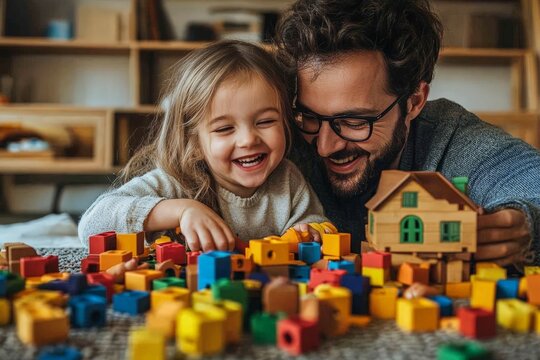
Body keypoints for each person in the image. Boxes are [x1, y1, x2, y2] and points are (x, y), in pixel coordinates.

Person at [275, 0, 540, 266]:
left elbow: (529, 179)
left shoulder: (453, 139)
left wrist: (527, 223)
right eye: (310, 116)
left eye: (354, 121)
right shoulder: (281, 136)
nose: (325, 146)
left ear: (414, 102)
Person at [78, 40, 329, 252]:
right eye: (224, 129)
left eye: (265, 121)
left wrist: (308, 231)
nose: (248, 139)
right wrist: (181, 210)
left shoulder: (288, 179)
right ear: (194, 142)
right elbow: (90, 225)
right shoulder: (176, 182)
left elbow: (316, 221)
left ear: (285, 121)